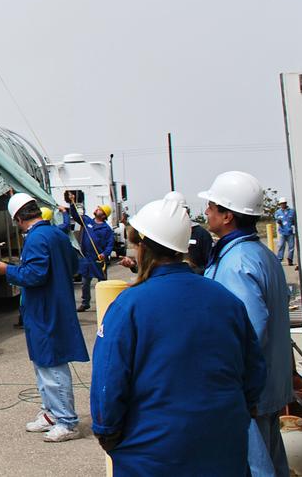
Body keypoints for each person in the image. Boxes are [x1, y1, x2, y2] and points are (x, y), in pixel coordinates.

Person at [91, 198, 265, 475]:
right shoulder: (225, 299)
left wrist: (107, 432)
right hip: (222, 443)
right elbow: (253, 370)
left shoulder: (129, 306)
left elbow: (109, 380)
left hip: (153, 452)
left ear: (143, 247)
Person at [200, 171, 293, 477]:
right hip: (268, 385)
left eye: (212, 207)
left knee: (255, 468)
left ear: (227, 216)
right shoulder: (260, 254)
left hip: (247, 392)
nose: (207, 212)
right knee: (272, 463)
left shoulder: (237, 264)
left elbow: (248, 332)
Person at [0, 194, 88, 443]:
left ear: (18, 218)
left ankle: (67, 421)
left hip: (45, 311)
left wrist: (6, 270)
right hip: (52, 308)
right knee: (43, 364)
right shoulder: (56, 234)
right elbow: (73, 264)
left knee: (52, 365)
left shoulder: (36, 239)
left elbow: (34, 275)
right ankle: (52, 414)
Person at [76, 206, 114, 311]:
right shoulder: (87, 221)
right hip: (87, 259)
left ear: (104, 215)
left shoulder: (107, 229)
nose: (97, 208)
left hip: (98, 260)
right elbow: (75, 216)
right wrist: (71, 203)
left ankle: (105, 302)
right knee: (85, 283)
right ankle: (85, 303)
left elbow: (110, 245)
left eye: (99, 209)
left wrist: (104, 254)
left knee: (102, 283)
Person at [165, 190, 213, 271]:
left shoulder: (200, 234)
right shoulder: (162, 234)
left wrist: (195, 270)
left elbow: (211, 266)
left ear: (187, 211)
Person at [273, 198, 296, 266]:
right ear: (280, 204)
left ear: (286, 203)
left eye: (284, 203)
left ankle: (290, 259)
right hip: (282, 232)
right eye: (281, 203)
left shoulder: (292, 211)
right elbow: (276, 219)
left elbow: (295, 221)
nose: (283, 204)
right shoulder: (278, 212)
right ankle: (279, 259)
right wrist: (278, 221)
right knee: (281, 246)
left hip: (290, 232)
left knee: (291, 247)